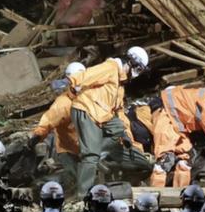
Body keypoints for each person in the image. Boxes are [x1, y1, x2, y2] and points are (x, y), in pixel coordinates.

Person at [50, 48, 154, 195]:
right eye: (137, 69)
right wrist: (68, 81)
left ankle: (101, 161)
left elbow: (118, 111)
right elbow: (89, 75)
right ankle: (83, 196)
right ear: (131, 63)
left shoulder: (119, 85)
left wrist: (124, 135)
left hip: (103, 116)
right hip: (86, 110)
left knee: (121, 131)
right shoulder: (110, 67)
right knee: (91, 156)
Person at [29, 62, 84, 185]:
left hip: (89, 147)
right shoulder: (63, 103)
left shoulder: (93, 97)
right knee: (74, 180)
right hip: (68, 149)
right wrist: (37, 135)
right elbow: (48, 120)